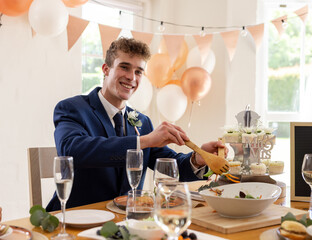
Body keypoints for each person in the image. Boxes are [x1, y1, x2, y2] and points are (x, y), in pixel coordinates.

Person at [46, 37, 226, 211]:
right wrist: (143, 142)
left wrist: (199, 158)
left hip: (128, 220)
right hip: (75, 218)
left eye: (139, 71)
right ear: (106, 69)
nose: (132, 77)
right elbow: (72, 151)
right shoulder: (72, 108)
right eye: (124, 67)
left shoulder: (142, 121)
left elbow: (170, 165)